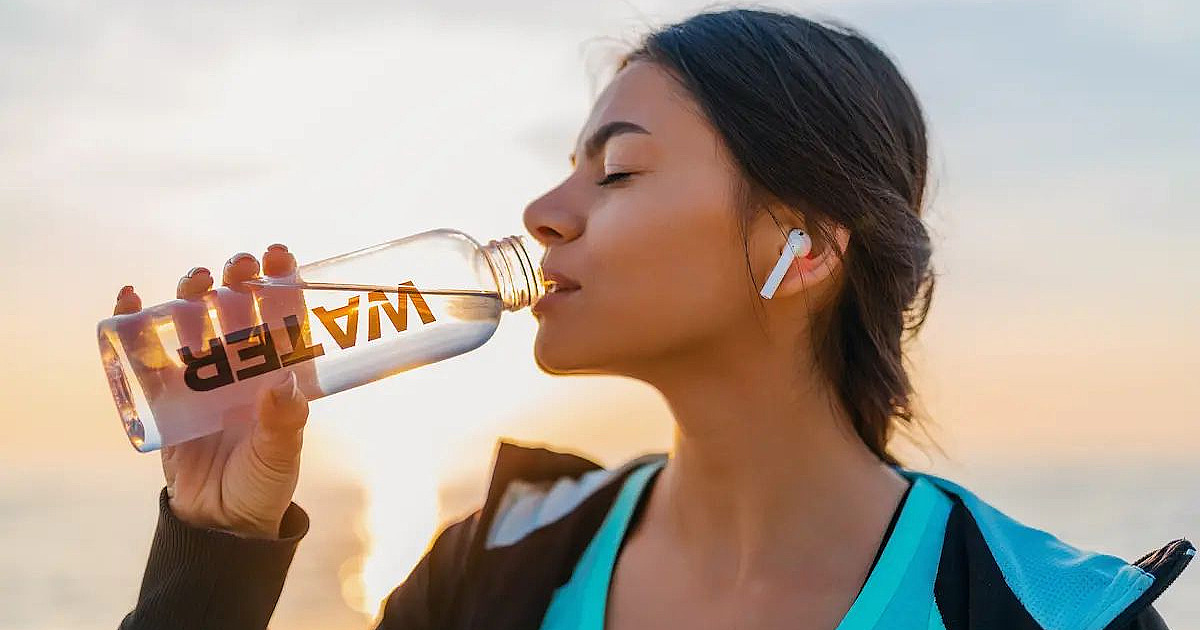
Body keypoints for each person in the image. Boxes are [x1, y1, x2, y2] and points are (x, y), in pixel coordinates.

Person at [113, 8, 1193, 630]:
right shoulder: (493, 569)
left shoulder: (1052, 618)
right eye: (565, 168)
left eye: (618, 171)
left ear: (802, 244)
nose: (542, 214)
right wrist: (215, 549)